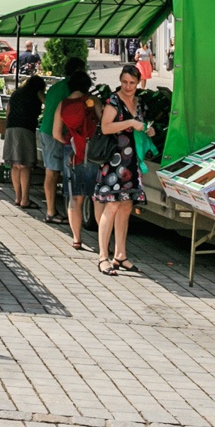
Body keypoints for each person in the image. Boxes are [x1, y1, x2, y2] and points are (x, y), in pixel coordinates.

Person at [93, 65, 149, 276]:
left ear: (138, 83)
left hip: (132, 163)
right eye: (124, 82)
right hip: (115, 162)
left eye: (132, 83)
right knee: (112, 205)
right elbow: (106, 127)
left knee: (126, 207)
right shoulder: (113, 101)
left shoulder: (139, 103)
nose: (128, 87)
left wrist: (146, 129)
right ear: (120, 80)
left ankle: (120, 255)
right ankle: (102, 257)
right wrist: (130, 122)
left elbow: (139, 127)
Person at [53, 73, 100, 252]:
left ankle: (76, 239)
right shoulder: (92, 101)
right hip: (92, 153)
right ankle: (102, 243)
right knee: (96, 197)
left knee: (75, 197)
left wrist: (71, 142)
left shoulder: (62, 104)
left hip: (71, 152)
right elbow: (104, 123)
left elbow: (56, 133)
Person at [38, 57, 86, 224]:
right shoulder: (69, 89)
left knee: (51, 171)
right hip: (55, 134)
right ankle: (51, 212)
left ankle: (53, 210)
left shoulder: (57, 86)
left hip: (46, 130)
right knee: (52, 172)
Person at [5, 75, 45, 212]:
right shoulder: (35, 95)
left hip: (11, 128)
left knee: (15, 165)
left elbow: (8, 112)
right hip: (25, 129)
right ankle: (25, 200)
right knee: (26, 165)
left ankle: (17, 197)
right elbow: (44, 107)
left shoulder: (16, 93)